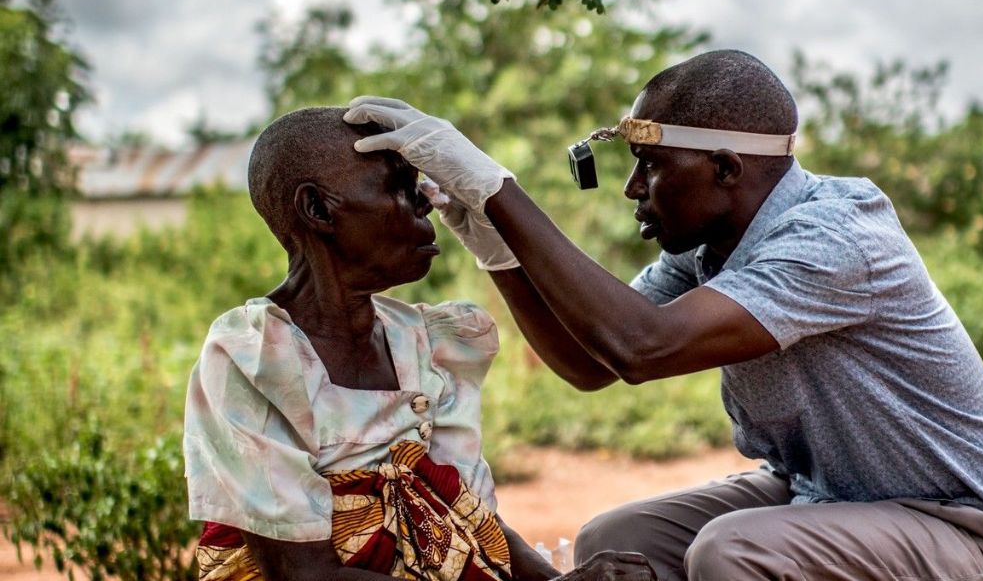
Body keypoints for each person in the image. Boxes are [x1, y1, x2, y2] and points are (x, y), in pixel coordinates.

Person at [342, 49, 983, 581]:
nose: (631, 188)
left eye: (650, 164)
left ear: (727, 170)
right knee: (615, 542)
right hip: (822, 495)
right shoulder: (716, 248)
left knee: (731, 551)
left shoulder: (837, 236)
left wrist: (499, 191)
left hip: (964, 532)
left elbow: (641, 345)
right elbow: (595, 362)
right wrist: (496, 246)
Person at [182, 107, 657, 581]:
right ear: (319, 209)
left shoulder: (427, 345)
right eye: (401, 188)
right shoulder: (253, 358)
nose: (427, 204)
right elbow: (304, 573)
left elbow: (477, 524)